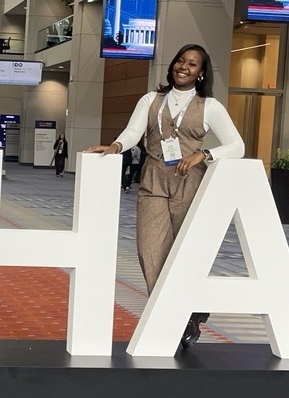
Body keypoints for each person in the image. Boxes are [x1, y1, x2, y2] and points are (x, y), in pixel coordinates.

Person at [85, 44, 244, 351]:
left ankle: (185, 318)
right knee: (150, 251)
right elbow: (134, 132)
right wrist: (116, 147)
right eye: (181, 61)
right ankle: (183, 314)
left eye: (193, 64)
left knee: (184, 254)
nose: (184, 66)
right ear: (173, 65)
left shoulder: (209, 106)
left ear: (200, 73)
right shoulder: (151, 99)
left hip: (190, 184)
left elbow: (237, 146)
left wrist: (204, 153)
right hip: (154, 180)